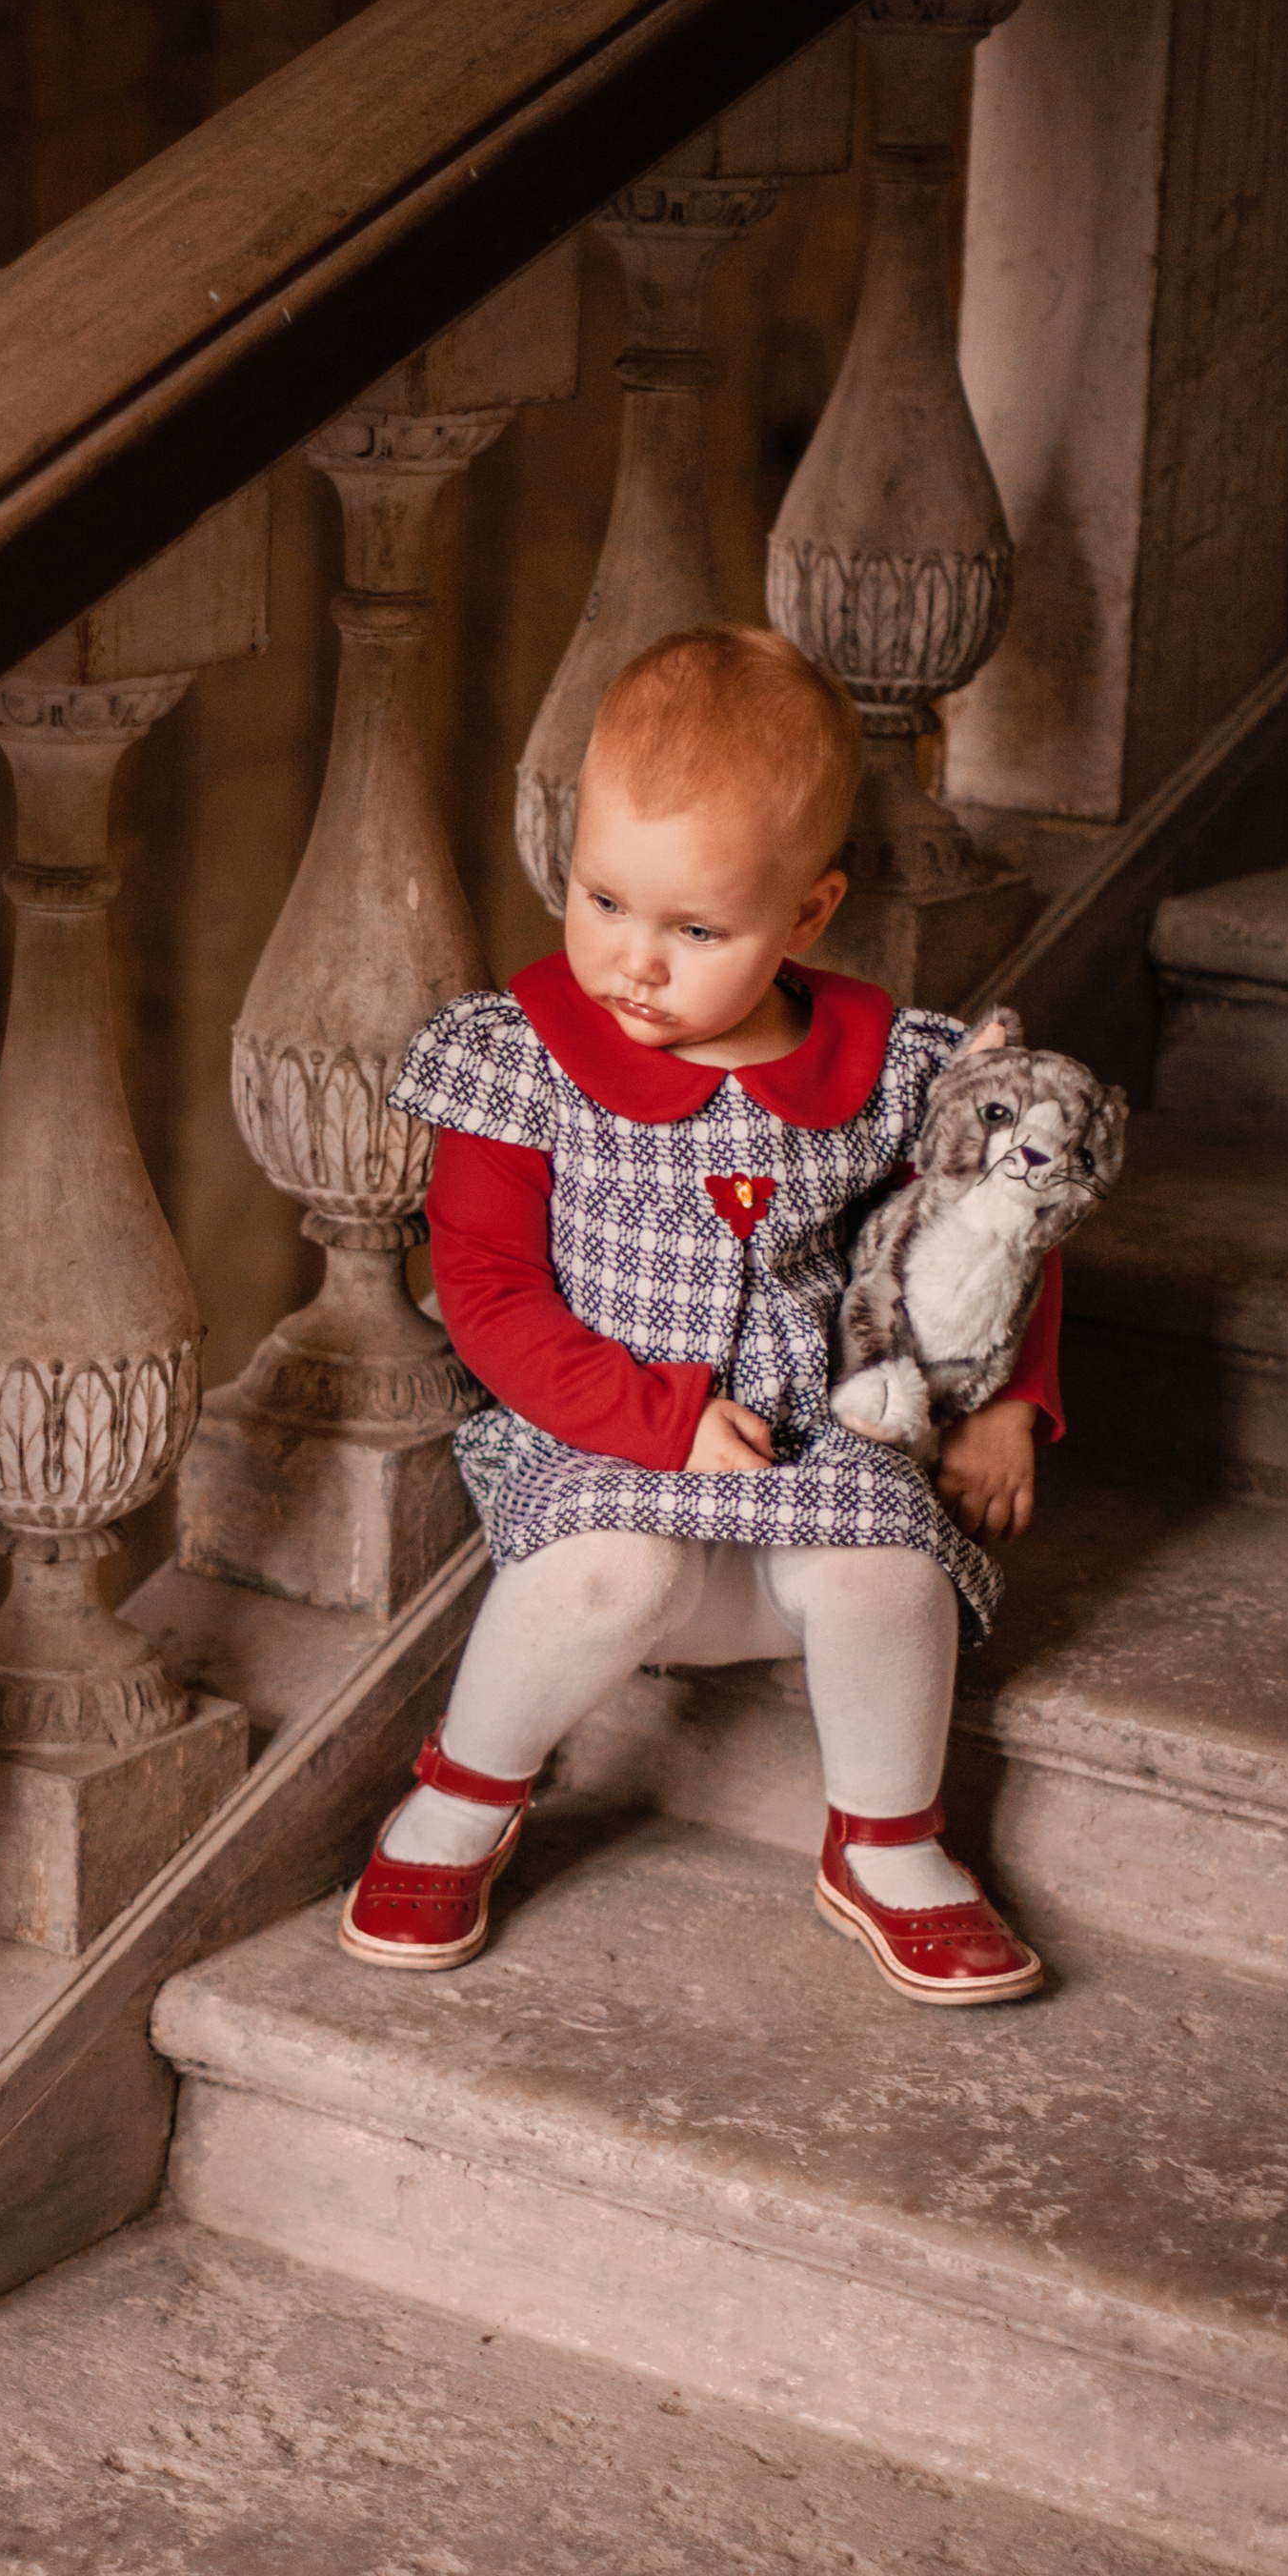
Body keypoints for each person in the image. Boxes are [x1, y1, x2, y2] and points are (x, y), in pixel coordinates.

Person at [341, 622, 1060, 2006]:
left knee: (886, 1574)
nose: (634, 963)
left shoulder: (893, 1067)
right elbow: (486, 1295)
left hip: (816, 1448)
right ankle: (463, 1798)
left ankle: (886, 1840)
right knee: (606, 1573)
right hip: (600, 1431)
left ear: (804, 915)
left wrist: (1011, 1401)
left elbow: (985, 1233)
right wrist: (654, 1420)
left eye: (696, 929)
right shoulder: (522, 1059)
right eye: (603, 899)